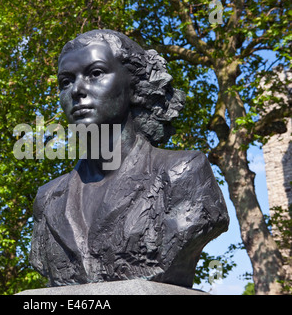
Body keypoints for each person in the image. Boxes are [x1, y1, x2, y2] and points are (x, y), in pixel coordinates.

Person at [30, 30, 229, 288]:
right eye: (66, 82)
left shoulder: (183, 173)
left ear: (134, 88)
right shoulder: (48, 199)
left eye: (96, 74)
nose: (77, 90)